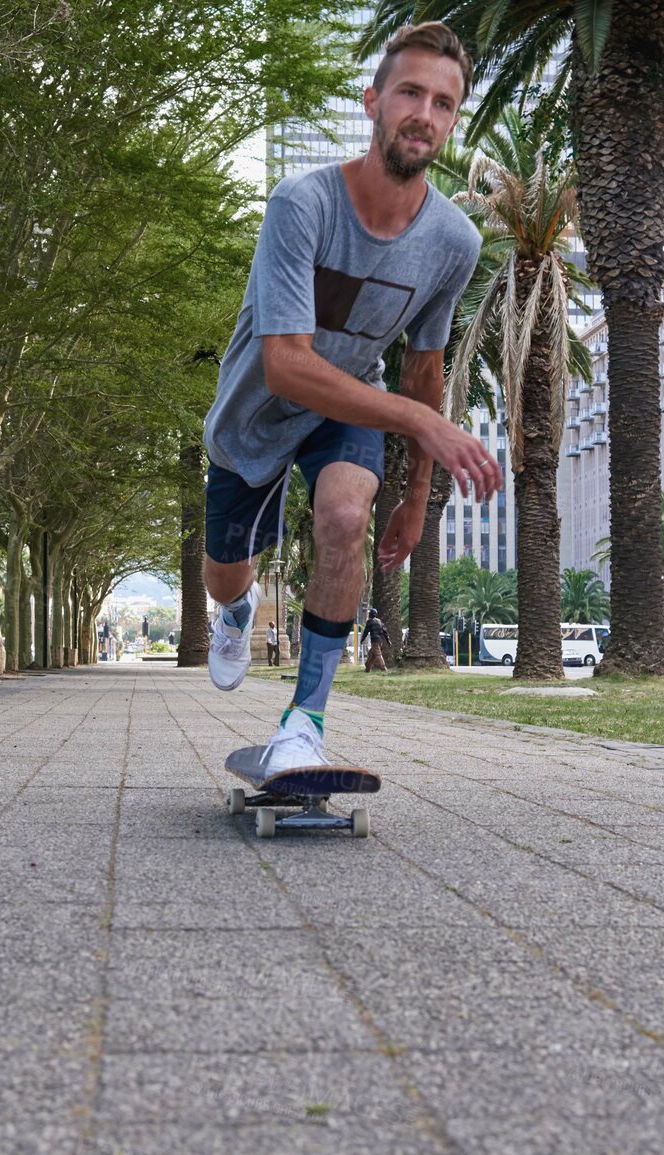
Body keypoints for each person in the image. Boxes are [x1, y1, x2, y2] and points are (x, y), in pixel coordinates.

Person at [200, 22, 499, 771]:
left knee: (342, 517)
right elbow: (286, 368)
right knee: (224, 572)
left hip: (348, 408)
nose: (423, 114)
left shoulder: (453, 242)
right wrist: (421, 422)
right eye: (409, 92)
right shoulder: (301, 205)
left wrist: (413, 496)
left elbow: (422, 367)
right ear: (372, 101)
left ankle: (304, 721)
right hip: (253, 418)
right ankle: (232, 612)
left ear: (452, 121)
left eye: (442, 102)